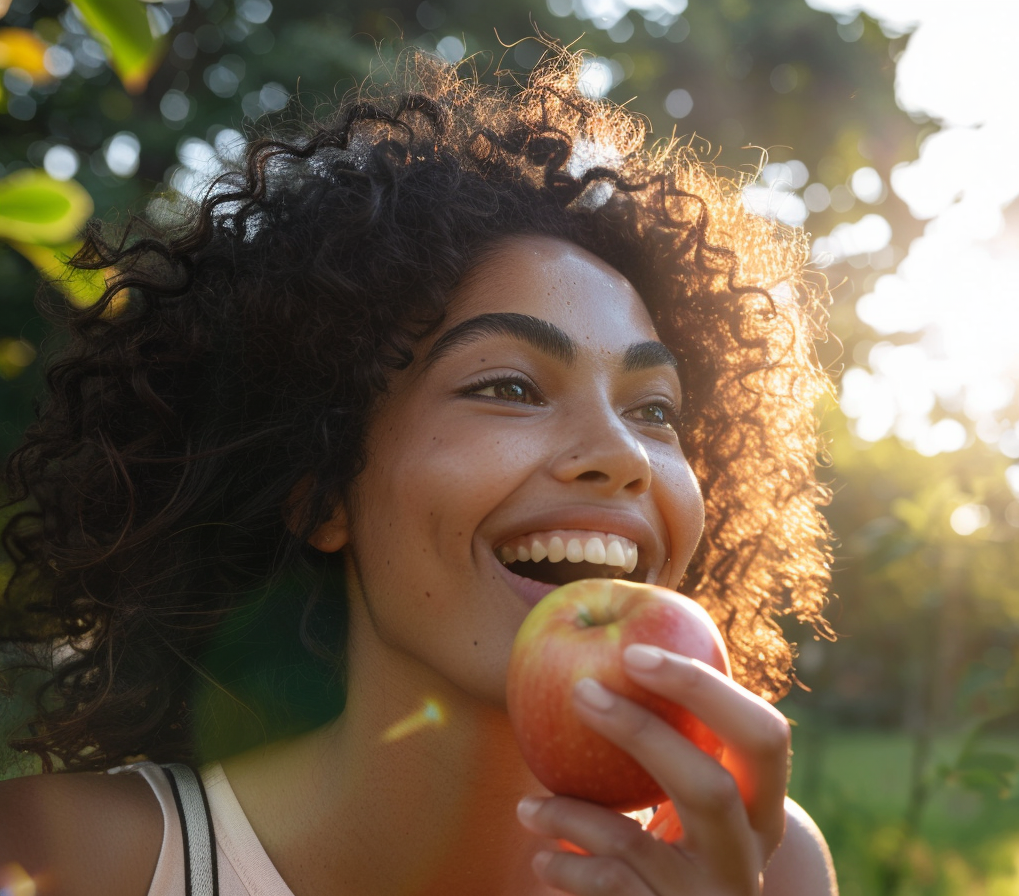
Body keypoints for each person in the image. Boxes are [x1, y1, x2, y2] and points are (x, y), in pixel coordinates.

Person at [0, 47, 838, 895]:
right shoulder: (60, 859)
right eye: (509, 387)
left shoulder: (764, 864)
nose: (623, 454)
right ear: (319, 485)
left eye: (654, 409)